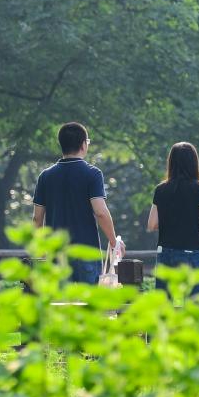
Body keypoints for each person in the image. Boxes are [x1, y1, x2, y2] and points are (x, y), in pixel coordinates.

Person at [31, 121, 117, 284]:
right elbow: (100, 212)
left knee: (59, 306)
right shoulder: (92, 174)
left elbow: (37, 219)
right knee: (88, 306)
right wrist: (113, 242)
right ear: (84, 144)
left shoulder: (45, 176)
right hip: (86, 251)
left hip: (56, 254)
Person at [145, 141, 199, 288]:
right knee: (193, 305)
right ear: (194, 162)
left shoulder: (161, 189)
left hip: (165, 253)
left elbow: (152, 224)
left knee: (164, 303)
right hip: (191, 252)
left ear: (171, 162)